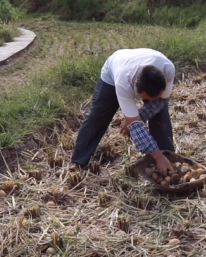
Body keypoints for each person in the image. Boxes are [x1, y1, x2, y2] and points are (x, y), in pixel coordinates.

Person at [71, 48, 176, 176]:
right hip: (114, 69)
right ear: (136, 90)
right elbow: (136, 128)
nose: (149, 101)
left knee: (160, 114)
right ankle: (79, 160)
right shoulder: (123, 83)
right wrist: (132, 120)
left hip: (142, 61)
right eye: (147, 98)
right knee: (98, 115)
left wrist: (135, 117)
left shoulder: (168, 71)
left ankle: (167, 158)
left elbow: (160, 102)